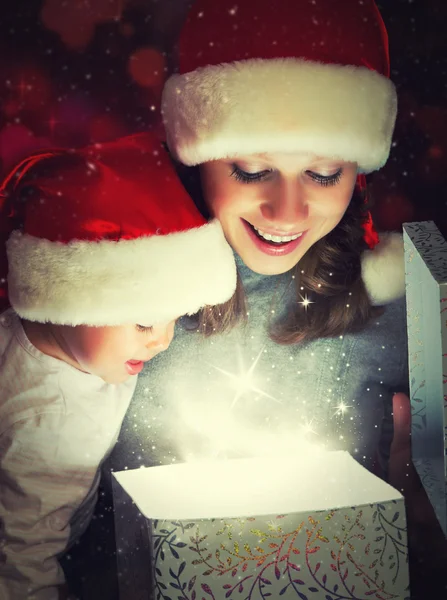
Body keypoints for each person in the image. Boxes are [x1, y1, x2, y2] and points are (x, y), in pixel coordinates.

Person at [103, 0, 410, 595]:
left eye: (323, 174)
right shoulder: (116, 307)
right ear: (196, 153)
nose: (286, 212)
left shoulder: (401, 311)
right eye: (250, 169)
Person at [0, 132, 237, 599]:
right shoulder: (55, 424)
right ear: (70, 295)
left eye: (176, 317)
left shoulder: (30, 334)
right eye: (146, 321)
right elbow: (21, 555)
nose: (164, 340)